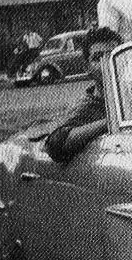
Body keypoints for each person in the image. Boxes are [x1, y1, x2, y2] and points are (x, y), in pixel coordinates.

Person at [44, 27, 122, 162]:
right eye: (98, 58)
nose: (107, 63)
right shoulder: (87, 107)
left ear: (124, 60)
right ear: (87, 68)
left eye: (112, 56)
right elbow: (55, 144)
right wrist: (111, 121)